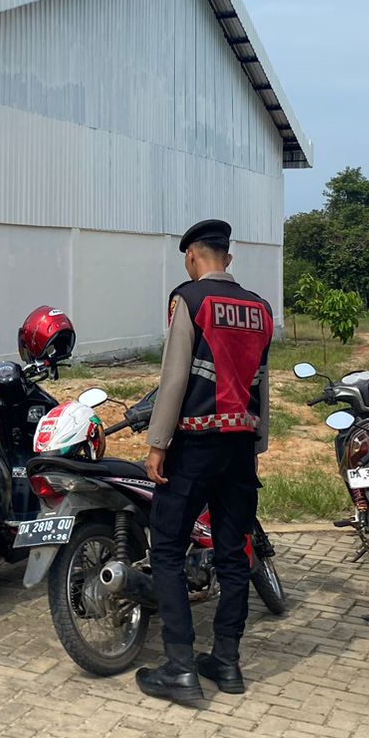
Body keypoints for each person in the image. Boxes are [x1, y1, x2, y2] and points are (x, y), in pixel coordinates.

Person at [136, 219, 274, 704]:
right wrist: (259, 441)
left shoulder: (190, 301)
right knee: (233, 553)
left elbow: (174, 377)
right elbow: (261, 380)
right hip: (240, 447)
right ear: (228, 258)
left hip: (193, 446)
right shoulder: (260, 308)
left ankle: (179, 667)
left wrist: (157, 443)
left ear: (192, 257)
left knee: (167, 548)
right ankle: (227, 662)